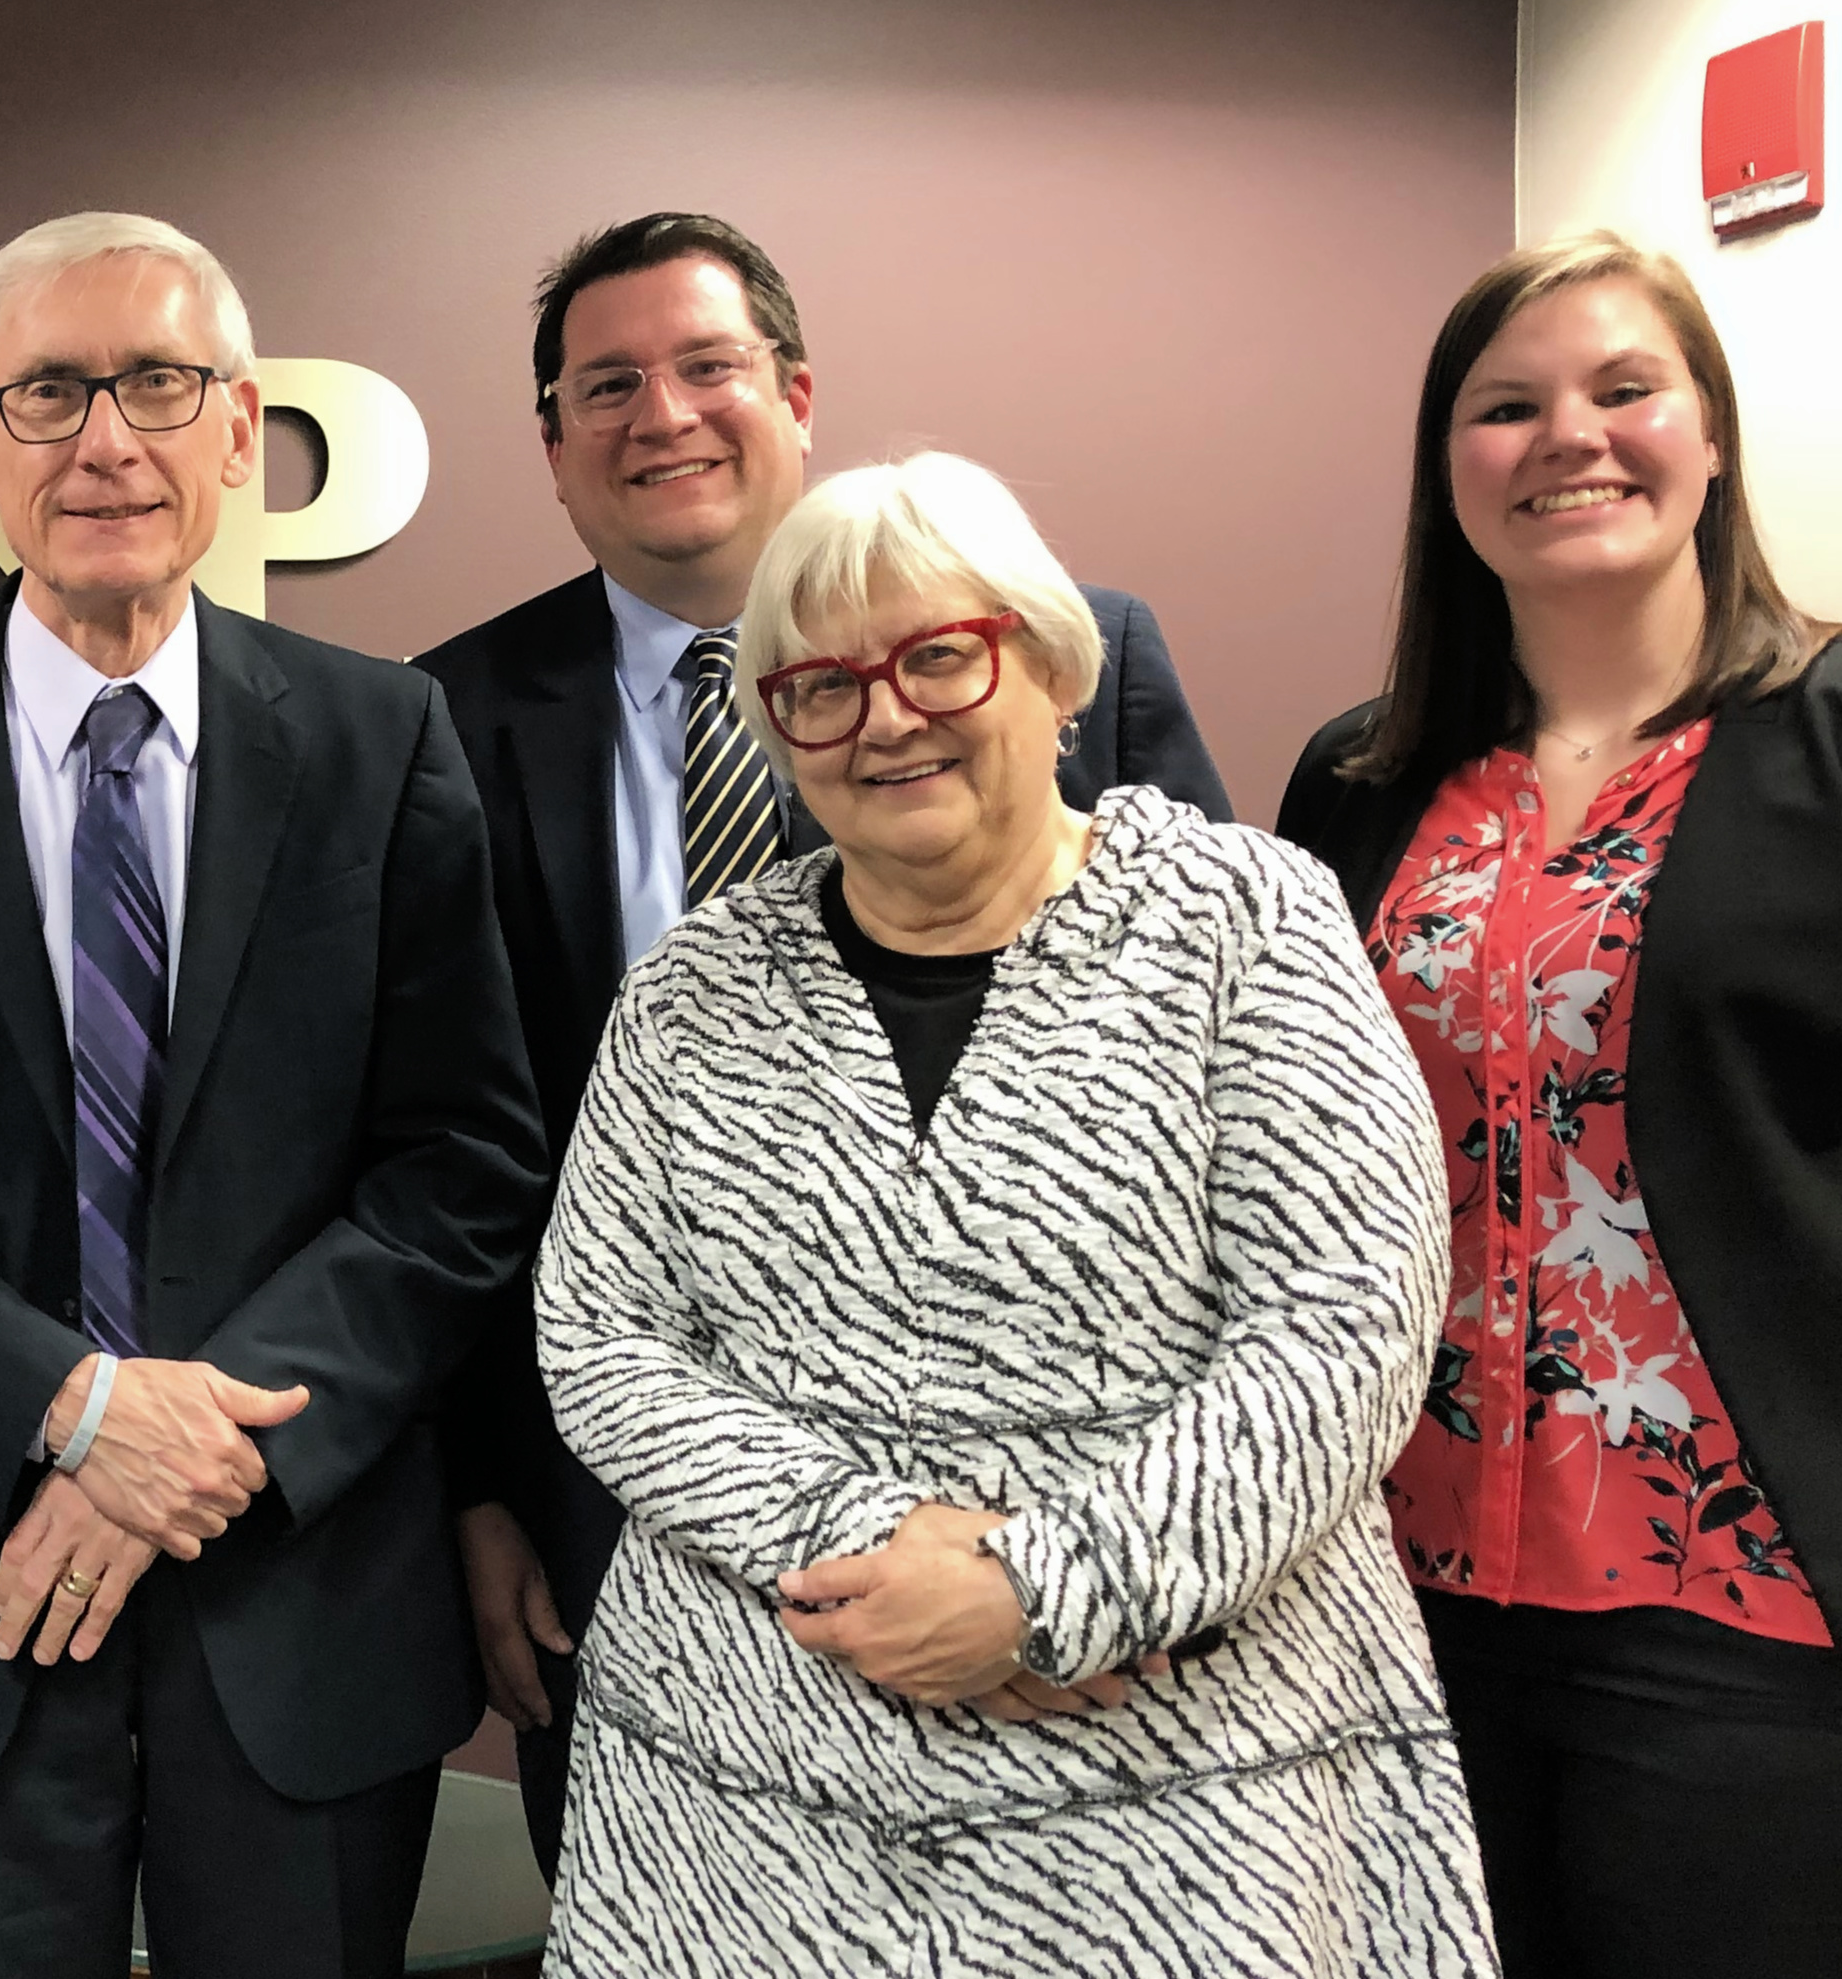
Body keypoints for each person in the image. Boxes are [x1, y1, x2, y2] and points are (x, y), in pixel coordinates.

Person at [537, 450, 1495, 1979]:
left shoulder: (1244, 922)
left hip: (1181, 1784)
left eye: (936, 657)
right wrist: (866, 1546)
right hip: (746, 1799)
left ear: (1050, 666)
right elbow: (597, 1337)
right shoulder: (692, 987)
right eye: (820, 687)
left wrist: (1047, 1593)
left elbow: (1345, 1323)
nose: (885, 718)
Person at [0, 211, 545, 1979]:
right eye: (46, 393)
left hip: (302, 1618)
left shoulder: (382, 741)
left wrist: (193, 1445)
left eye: (158, 384)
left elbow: (460, 1161)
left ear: (239, 431)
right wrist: (74, 1408)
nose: (106, 439)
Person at [1276, 232, 1842, 1979]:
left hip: (1796, 1631)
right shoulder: (1356, 783)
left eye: (1624, 389)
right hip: (1413, 1617)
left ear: (1707, 438)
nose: (1570, 436)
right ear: (1446, 469)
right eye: (1505, 407)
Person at [404, 213, 1232, 1870]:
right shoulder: (437, 717)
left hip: (1075, 1516)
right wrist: (481, 1490)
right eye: (607, 386)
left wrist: (1131, 1547)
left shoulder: (1069, 648)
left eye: (707, 367)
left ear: (793, 391)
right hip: (642, 1501)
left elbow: (1206, 1104)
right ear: (553, 448)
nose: (664, 415)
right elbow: (455, 1145)